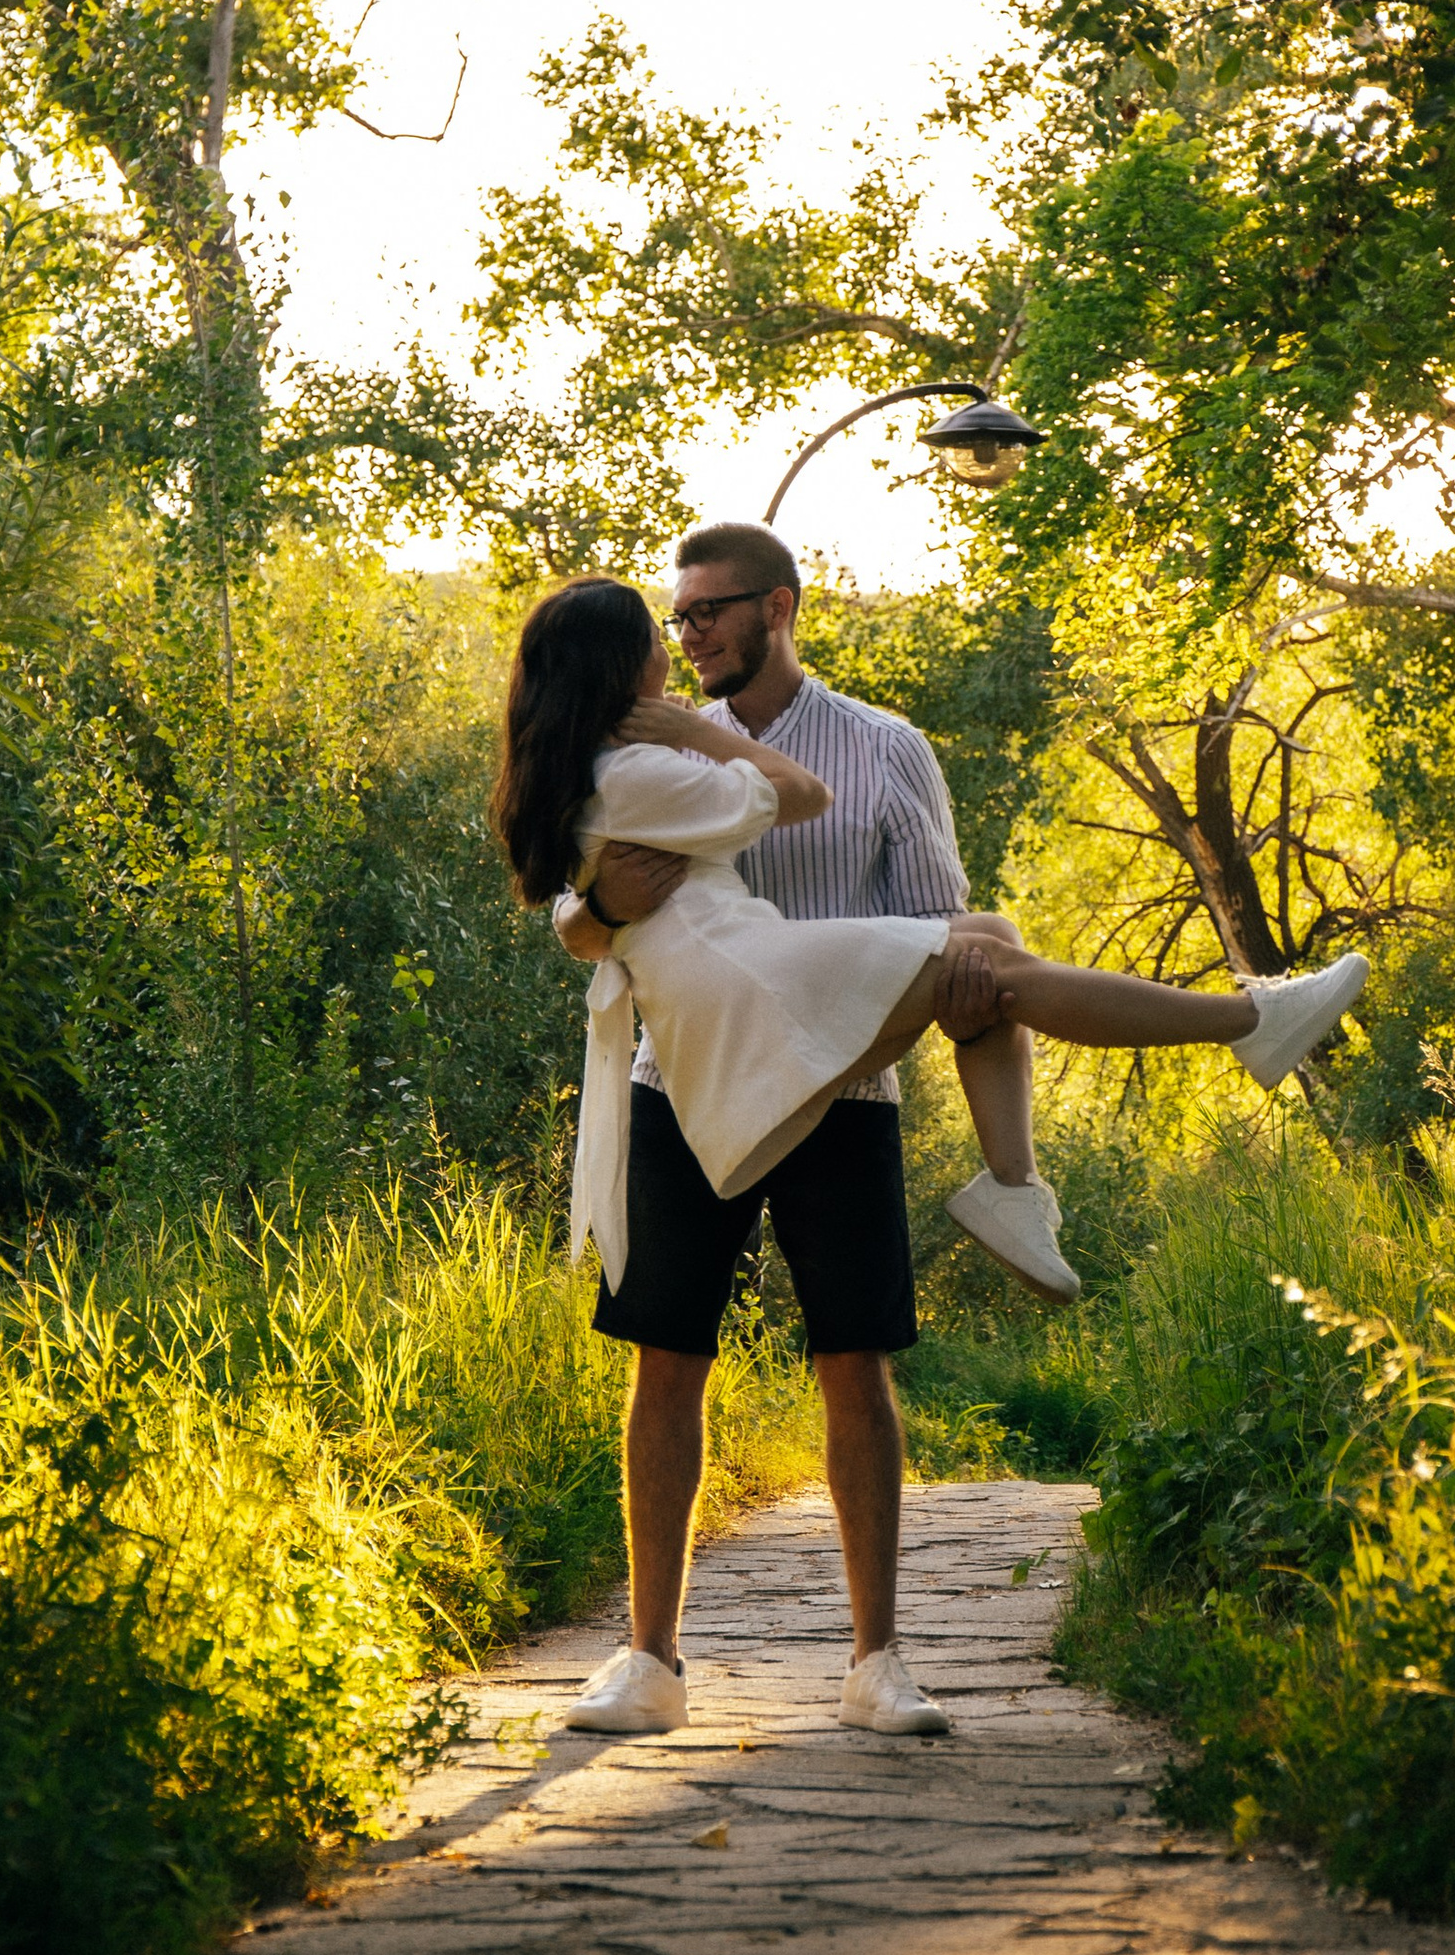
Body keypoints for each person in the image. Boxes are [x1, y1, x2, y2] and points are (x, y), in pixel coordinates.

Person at [498, 537, 1365, 1741]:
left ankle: (877, 1661)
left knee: (855, 1359)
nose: (687, 635)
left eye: (706, 614)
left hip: (845, 1077)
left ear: (779, 609)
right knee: (665, 1361)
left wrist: (957, 987)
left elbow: (935, 907)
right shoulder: (652, 741)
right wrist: (599, 908)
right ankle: (647, 1660)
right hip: (678, 1074)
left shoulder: (883, 746)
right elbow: (575, 904)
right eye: (675, 617)